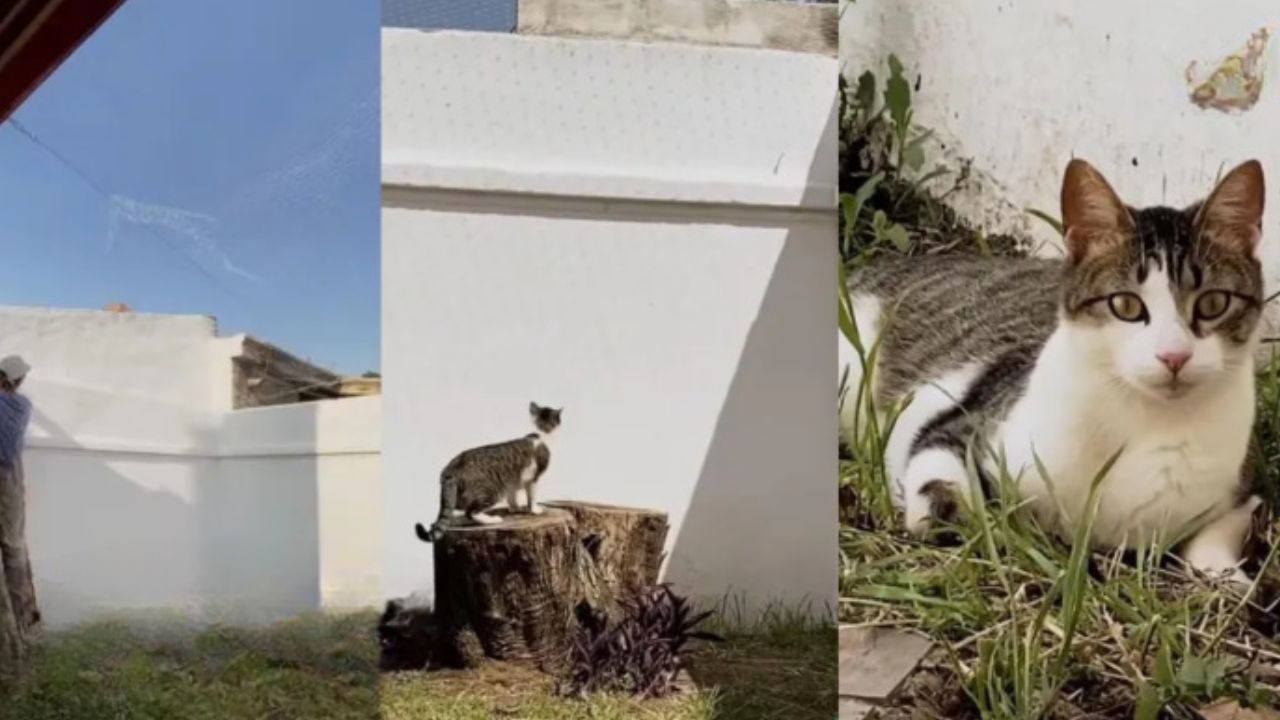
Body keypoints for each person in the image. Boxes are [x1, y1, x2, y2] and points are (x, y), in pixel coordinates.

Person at [0, 355, 37, 635]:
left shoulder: (14, 405)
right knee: (14, 548)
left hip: (8, 478)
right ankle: (25, 622)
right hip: (10, 479)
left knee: (14, 549)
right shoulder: (22, 405)